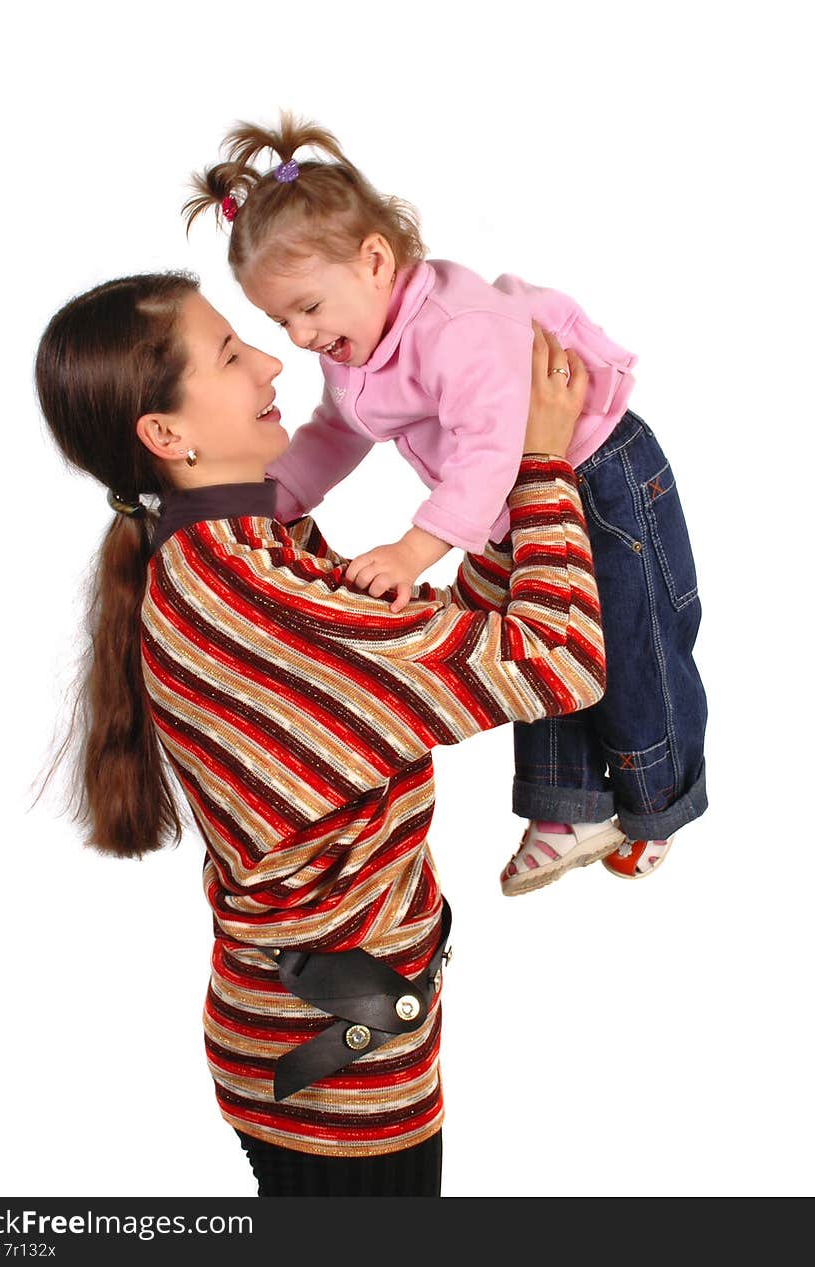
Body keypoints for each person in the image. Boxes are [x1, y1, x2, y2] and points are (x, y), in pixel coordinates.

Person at [35, 270, 603, 1196]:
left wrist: (489, 468)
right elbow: (557, 660)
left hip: (318, 1054)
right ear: (167, 435)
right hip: (339, 1089)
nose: (273, 361)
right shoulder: (254, 597)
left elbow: (432, 658)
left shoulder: (254, 551)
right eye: (229, 354)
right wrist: (541, 466)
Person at [183, 113, 708, 891]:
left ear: (373, 261)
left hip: (601, 473)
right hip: (522, 493)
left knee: (632, 642)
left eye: (308, 307)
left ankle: (657, 802)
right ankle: (572, 805)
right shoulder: (354, 347)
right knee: (541, 630)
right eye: (279, 319)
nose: (298, 335)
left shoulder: (455, 328)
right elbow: (340, 430)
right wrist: (279, 494)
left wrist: (414, 549)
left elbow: (498, 445)